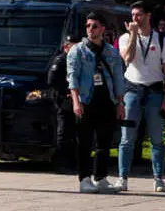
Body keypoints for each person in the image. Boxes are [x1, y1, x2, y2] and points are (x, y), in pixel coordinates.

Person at [115, 0, 165, 192]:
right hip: (132, 89)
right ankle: (123, 177)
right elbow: (128, 59)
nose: (135, 19)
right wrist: (133, 34)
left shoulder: (162, 40)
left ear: (148, 16)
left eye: (139, 15)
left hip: (154, 91)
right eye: (132, 15)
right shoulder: (125, 38)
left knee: (157, 137)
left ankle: (158, 178)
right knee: (127, 138)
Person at [67, 11, 126, 194]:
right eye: (87, 26)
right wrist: (76, 102)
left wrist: (120, 103)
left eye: (94, 26)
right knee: (84, 142)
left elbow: (118, 79)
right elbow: (73, 78)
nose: (90, 29)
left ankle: (100, 177)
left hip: (106, 100)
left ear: (102, 28)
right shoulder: (77, 50)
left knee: (104, 142)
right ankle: (84, 179)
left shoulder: (111, 51)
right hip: (86, 100)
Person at [46, 34, 78, 173]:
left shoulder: (74, 60)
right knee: (63, 132)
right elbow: (52, 80)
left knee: (72, 132)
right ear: (66, 46)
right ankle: (61, 163)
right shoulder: (60, 60)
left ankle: (71, 162)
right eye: (73, 46)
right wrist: (66, 91)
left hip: (72, 100)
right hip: (62, 100)